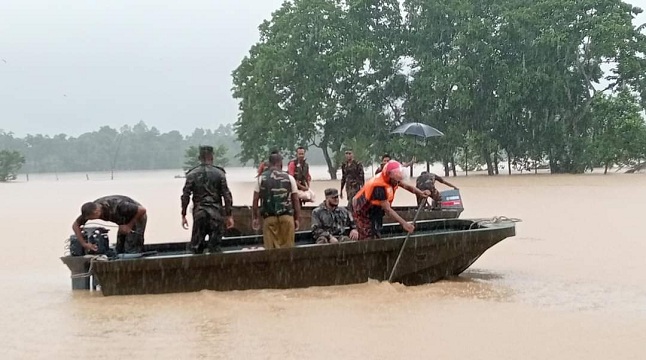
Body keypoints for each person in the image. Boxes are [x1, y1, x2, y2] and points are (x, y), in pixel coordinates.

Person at [353, 161, 431, 240]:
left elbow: (407, 186)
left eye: (398, 180)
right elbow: (388, 210)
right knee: (368, 235)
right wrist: (404, 224)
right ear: (389, 176)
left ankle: (376, 241)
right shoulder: (379, 187)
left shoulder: (393, 180)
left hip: (375, 210)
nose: (397, 182)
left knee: (376, 231)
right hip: (362, 211)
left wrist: (420, 193)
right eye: (395, 180)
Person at [181, 145, 234, 254]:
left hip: (200, 213)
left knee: (196, 248)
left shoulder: (192, 174)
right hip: (216, 214)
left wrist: (183, 214)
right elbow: (227, 196)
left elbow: (185, 195)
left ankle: (196, 268)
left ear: (199, 158)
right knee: (215, 249)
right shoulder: (219, 174)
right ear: (212, 157)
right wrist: (229, 215)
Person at [252, 152, 302, 249]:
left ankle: (273, 264)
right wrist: (296, 218)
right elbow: (295, 200)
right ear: (280, 163)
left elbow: (255, 200)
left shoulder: (261, 179)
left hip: (269, 218)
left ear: (269, 163)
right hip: (286, 218)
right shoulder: (289, 178)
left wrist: (255, 218)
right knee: (288, 250)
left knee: (270, 252)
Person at [72, 195, 147, 254]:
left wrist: (128, 226)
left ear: (97, 211)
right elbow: (75, 225)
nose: (91, 220)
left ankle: (134, 259)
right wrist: (84, 244)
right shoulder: (89, 210)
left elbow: (142, 210)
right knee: (120, 248)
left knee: (131, 247)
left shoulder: (119, 205)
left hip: (136, 215)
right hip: (122, 220)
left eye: (92, 218)